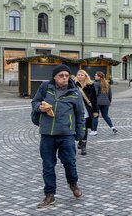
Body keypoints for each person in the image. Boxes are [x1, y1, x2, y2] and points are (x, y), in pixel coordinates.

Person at [31, 64, 85, 208]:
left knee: (69, 162)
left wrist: (80, 134)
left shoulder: (75, 92)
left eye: (67, 75)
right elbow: (34, 102)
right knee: (48, 165)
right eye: (61, 76)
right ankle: (49, 195)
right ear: (54, 77)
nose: (65, 78)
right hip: (47, 134)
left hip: (67, 134)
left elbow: (80, 115)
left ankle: (73, 184)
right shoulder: (45, 88)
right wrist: (39, 107)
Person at [75, 70, 97, 156]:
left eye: (81, 75)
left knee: (84, 127)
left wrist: (95, 111)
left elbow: (94, 99)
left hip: (86, 110)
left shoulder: (90, 86)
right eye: (78, 75)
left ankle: (83, 145)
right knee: (78, 126)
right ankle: (80, 140)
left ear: (85, 76)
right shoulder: (73, 85)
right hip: (76, 110)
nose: (80, 76)